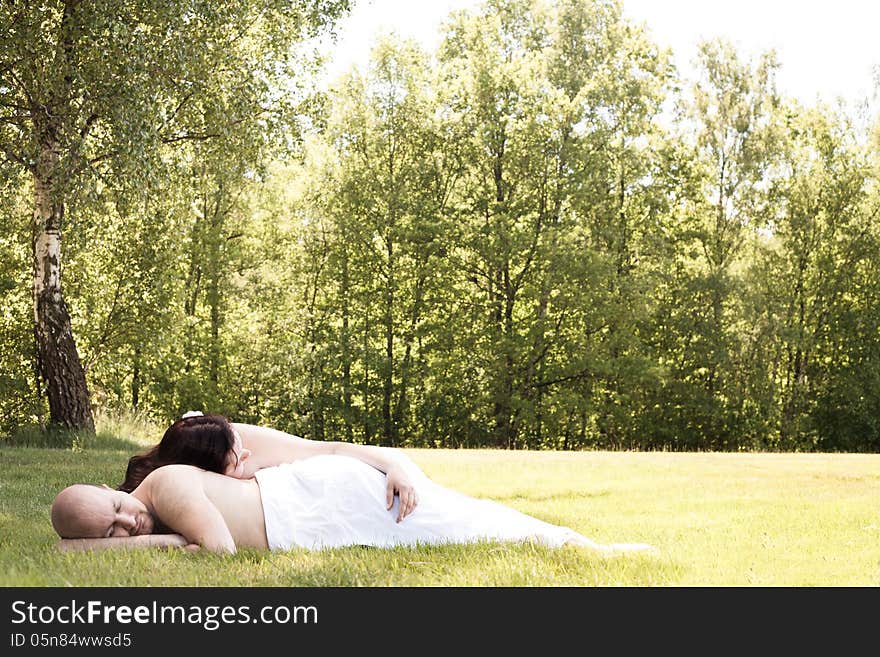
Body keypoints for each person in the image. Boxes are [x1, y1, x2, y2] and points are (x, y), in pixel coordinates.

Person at [51, 452, 654, 555]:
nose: (130, 522)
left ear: (113, 488)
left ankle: (586, 547)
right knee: (459, 528)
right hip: (312, 517)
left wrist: (86, 551)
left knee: (463, 522)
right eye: (113, 534)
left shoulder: (169, 487)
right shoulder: (156, 502)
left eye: (116, 508)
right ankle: (577, 544)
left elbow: (220, 550)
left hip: (326, 499)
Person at [119, 411, 418, 522]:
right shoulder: (175, 486)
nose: (247, 454)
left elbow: (330, 448)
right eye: (237, 462)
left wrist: (393, 464)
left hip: (375, 476)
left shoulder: (239, 440)